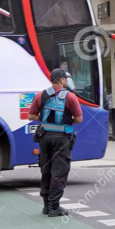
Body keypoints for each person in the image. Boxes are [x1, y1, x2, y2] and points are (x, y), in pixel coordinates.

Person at [27, 69, 83, 217]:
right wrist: (66, 121)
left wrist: (46, 119)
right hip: (62, 139)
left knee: (46, 169)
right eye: (66, 79)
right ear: (62, 80)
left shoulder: (41, 95)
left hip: (44, 138)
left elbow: (31, 116)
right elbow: (79, 119)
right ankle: (54, 206)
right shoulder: (70, 97)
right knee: (59, 171)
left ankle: (46, 205)